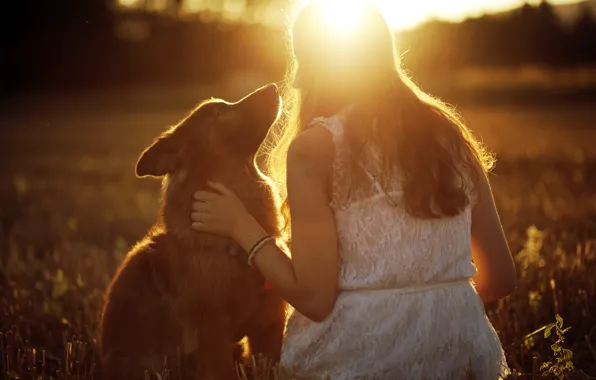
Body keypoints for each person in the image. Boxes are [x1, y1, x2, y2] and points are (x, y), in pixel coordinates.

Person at [190, 1, 517, 378]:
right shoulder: (450, 135)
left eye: (301, 63)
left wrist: (242, 227)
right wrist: (427, 297)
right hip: (462, 359)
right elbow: (500, 279)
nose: (295, 81)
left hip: (357, 361)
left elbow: (314, 299)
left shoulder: (317, 147)